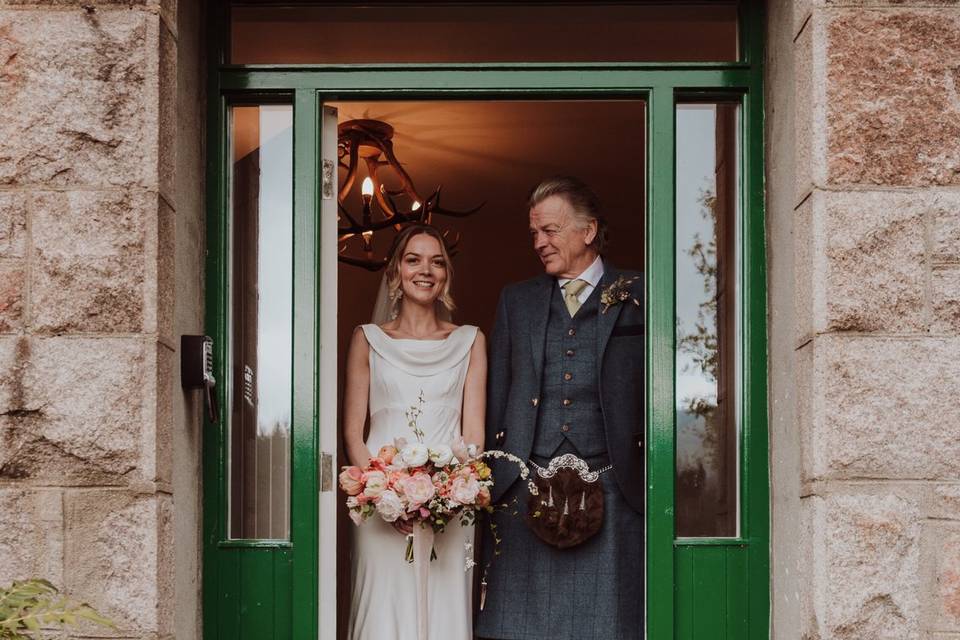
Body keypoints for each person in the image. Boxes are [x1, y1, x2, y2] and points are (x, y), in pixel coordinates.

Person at [475, 177, 645, 639]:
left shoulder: (639, 293)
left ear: (588, 231)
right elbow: (499, 394)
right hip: (526, 482)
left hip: (614, 483)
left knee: (609, 626)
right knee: (519, 626)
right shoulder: (517, 300)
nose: (539, 243)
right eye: (534, 233)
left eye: (549, 230)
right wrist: (491, 477)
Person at [343, 223, 487, 640]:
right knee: (382, 605)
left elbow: (473, 432)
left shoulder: (471, 341)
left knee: (444, 607)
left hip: (452, 505)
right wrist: (384, 493)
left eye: (437, 261)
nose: (426, 270)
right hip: (381, 506)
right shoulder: (366, 339)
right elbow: (354, 431)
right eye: (413, 259)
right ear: (395, 274)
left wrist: (452, 491)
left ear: (446, 277)